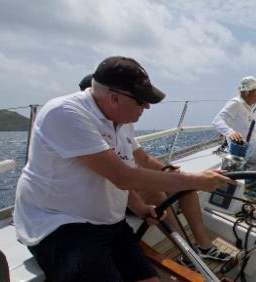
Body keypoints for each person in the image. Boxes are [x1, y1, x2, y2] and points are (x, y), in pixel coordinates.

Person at [15, 56, 235, 282]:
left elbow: (120, 170)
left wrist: (138, 207)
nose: (146, 109)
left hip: (105, 218)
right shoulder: (65, 114)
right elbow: (122, 175)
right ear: (114, 97)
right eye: (142, 101)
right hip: (60, 222)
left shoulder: (121, 119)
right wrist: (195, 181)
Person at [79, 74, 231, 263]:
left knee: (185, 187)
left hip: (129, 187)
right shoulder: (86, 128)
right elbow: (119, 178)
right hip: (110, 195)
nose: (145, 107)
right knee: (156, 193)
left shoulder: (123, 125)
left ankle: (204, 246)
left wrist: (169, 171)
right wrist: (194, 179)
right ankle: (187, 253)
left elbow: (143, 158)